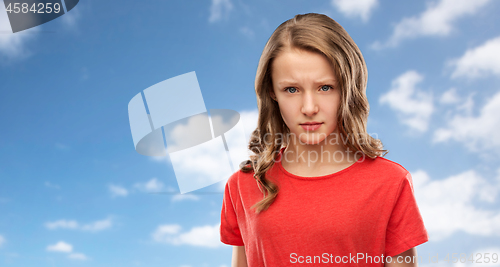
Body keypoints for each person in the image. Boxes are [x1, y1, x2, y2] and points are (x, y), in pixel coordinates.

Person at [220, 13, 428, 267]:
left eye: (325, 87)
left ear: (348, 88)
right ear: (272, 92)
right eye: (292, 89)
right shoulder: (241, 185)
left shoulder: (391, 183)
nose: (309, 107)